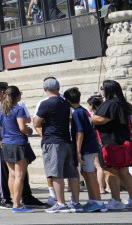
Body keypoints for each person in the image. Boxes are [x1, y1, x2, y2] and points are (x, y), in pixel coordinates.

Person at [31, 78, 81, 213]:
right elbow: (70, 119)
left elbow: (36, 123)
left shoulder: (45, 104)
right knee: (72, 173)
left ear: (44, 89)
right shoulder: (66, 104)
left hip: (52, 142)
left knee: (56, 174)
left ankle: (61, 203)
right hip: (66, 141)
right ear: (59, 88)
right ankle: (75, 202)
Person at [90, 79, 132, 210]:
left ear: (108, 90)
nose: (101, 91)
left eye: (102, 88)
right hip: (122, 142)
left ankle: (116, 200)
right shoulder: (123, 104)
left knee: (110, 170)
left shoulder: (110, 104)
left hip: (110, 143)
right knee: (124, 171)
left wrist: (90, 117)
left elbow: (102, 120)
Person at [0, 86, 35, 214]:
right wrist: (29, 130)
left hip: (6, 143)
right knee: (19, 176)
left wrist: (7, 129)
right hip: (18, 143)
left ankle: (14, 202)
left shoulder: (1, 109)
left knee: (11, 175)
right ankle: (17, 205)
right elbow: (22, 127)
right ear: (18, 96)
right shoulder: (19, 109)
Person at [65, 88, 104, 212]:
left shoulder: (77, 113)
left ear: (68, 100)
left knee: (89, 173)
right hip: (90, 145)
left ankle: (98, 201)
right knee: (87, 173)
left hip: (86, 146)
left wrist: (77, 151)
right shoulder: (84, 111)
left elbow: (80, 133)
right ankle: (93, 200)